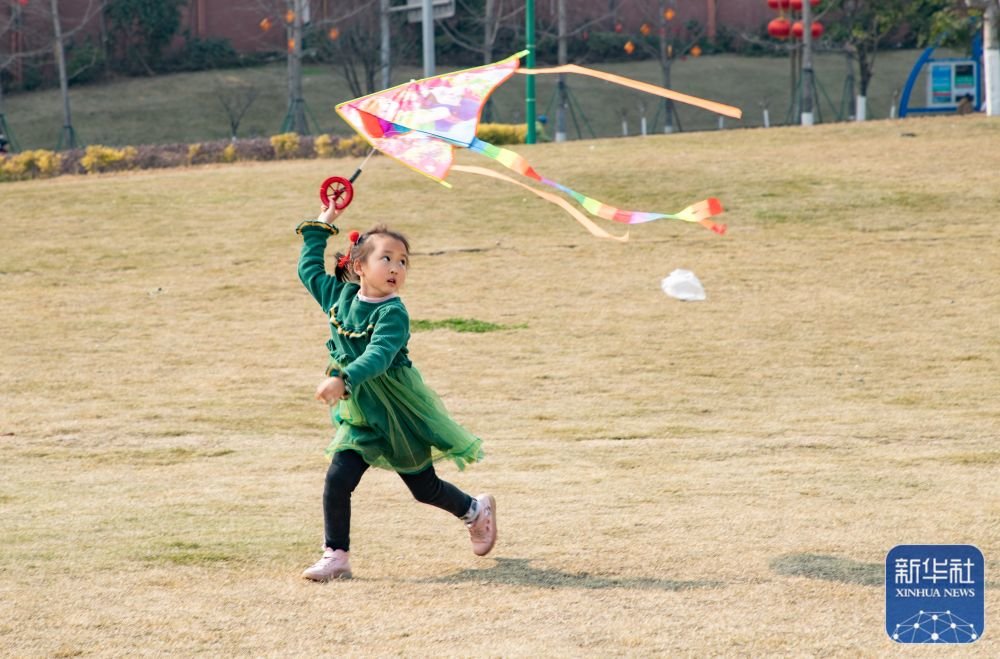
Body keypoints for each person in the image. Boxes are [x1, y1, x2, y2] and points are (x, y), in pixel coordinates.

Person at [295, 203, 497, 581]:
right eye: (385, 258)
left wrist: (343, 378)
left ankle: (474, 510)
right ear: (359, 266)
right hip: (360, 409)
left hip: (397, 410)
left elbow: (379, 356)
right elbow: (308, 269)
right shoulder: (338, 298)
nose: (395, 268)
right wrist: (324, 222)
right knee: (339, 477)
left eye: (403, 262)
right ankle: (336, 555)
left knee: (424, 488)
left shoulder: (394, 313)